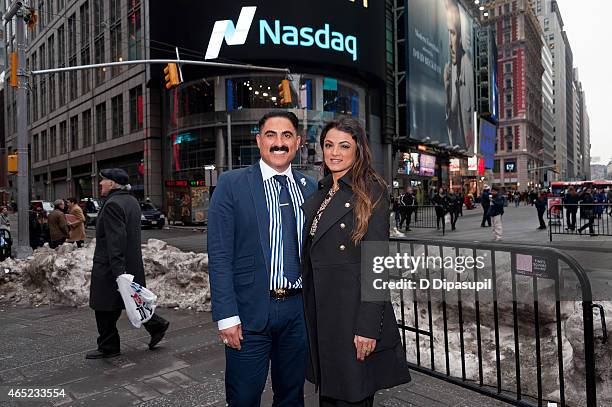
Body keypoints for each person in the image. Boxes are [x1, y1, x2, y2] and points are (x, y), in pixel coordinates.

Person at [207, 111, 317, 406]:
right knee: (243, 397)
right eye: (271, 135)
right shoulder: (232, 184)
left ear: (298, 142)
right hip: (248, 312)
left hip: (297, 311)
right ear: (258, 141)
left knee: (292, 396)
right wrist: (226, 316)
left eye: (286, 135)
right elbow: (219, 254)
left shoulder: (311, 188)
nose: (278, 143)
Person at [301, 117, 411, 407]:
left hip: (351, 318)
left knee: (352, 397)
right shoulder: (322, 191)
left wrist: (367, 327)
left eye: (344, 145)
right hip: (324, 315)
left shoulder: (370, 191)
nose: (334, 152)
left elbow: (376, 265)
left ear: (358, 149)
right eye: (328, 145)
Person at [87, 168, 170, 359]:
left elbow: (116, 240)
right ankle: (156, 325)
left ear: (113, 183)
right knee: (131, 299)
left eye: (104, 180)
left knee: (103, 307)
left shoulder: (113, 204)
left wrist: (119, 273)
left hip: (111, 266)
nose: (100, 183)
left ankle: (108, 346)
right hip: (130, 263)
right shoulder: (131, 201)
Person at [444, 0, 474, 150]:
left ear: (461, 37)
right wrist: (447, 89)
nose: (450, 42)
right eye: (448, 33)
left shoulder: (468, 70)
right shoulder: (451, 70)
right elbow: (451, 124)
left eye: (453, 33)